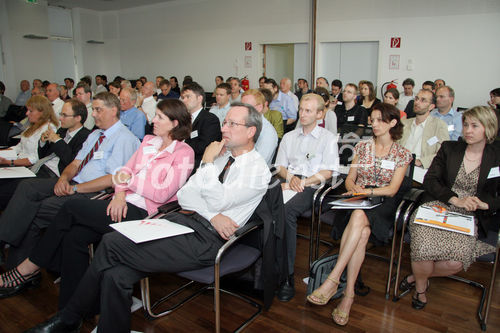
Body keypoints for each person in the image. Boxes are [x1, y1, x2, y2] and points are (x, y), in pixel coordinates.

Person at [23, 103, 271, 333]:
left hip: (207, 240)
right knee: (115, 274)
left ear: (251, 131)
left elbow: (217, 199)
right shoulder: (221, 158)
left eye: (231, 124)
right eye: (224, 122)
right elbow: (185, 196)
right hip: (184, 222)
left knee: (111, 242)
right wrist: (212, 213)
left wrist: (206, 165)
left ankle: (68, 318)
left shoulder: (256, 169)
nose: (223, 128)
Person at [0, 99, 195, 306]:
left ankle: (28, 268)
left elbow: (161, 194)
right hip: (120, 202)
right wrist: (120, 193)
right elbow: (123, 171)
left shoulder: (184, 153)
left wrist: (128, 180)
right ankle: (72, 310)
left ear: (174, 123)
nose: (153, 120)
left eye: (159, 117)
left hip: (145, 213)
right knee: (73, 237)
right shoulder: (148, 141)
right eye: (155, 115)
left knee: (71, 207)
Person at [0, 92, 140, 269]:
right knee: (27, 186)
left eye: (98, 110)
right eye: (94, 109)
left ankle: (19, 270)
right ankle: (6, 243)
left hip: (93, 192)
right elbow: (75, 162)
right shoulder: (96, 135)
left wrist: (75, 189)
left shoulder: (124, 138)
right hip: (73, 182)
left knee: (36, 209)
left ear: (113, 111)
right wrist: (63, 178)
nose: (94, 114)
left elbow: (112, 179)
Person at [306, 103, 412, 326]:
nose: (373, 124)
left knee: (358, 218)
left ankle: (334, 278)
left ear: (393, 123)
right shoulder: (363, 147)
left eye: (379, 120)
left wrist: (367, 191)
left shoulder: (402, 154)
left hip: (383, 203)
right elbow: (349, 178)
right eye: (372, 120)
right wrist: (354, 188)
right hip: (358, 200)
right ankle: (348, 295)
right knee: (360, 228)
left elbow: (392, 189)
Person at [402, 106, 499, 310]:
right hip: (438, 205)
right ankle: (420, 289)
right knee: (422, 248)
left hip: (470, 213)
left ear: (488, 128)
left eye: (474, 126)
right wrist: (454, 199)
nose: (468, 130)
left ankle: (415, 276)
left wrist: (485, 203)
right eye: (465, 125)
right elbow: (431, 180)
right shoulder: (449, 148)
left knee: (455, 262)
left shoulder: (497, 155)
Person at [276, 93, 339, 301]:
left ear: (320, 114)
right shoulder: (289, 136)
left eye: (308, 111)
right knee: (262, 201)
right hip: (290, 179)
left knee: (286, 212)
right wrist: (292, 178)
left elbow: (329, 172)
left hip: (313, 184)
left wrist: (303, 182)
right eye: (301, 110)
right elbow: (281, 166)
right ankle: (265, 264)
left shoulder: (328, 138)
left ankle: (287, 275)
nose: (302, 114)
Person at [0, 99, 90, 210]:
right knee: (4, 183)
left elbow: (72, 162)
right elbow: (43, 155)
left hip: (55, 175)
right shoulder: (62, 130)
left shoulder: (86, 136)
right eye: (61, 114)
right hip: (41, 167)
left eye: (64, 115)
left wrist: (58, 141)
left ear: (78, 118)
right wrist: (42, 142)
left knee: (10, 190)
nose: (60, 118)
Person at [0, 96, 58, 169]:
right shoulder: (32, 126)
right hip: (19, 161)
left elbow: (35, 158)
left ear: (42, 112)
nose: (27, 113)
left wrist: (9, 162)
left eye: (30, 111)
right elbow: (19, 147)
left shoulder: (48, 129)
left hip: (30, 167)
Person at [399, 89, 449, 168]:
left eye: (423, 100)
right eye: (416, 99)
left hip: (421, 167)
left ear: (431, 106)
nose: (417, 102)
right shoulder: (405, 123)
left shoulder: (439, 125)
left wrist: (421, 162)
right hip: (400, 164)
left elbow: (443, 153)